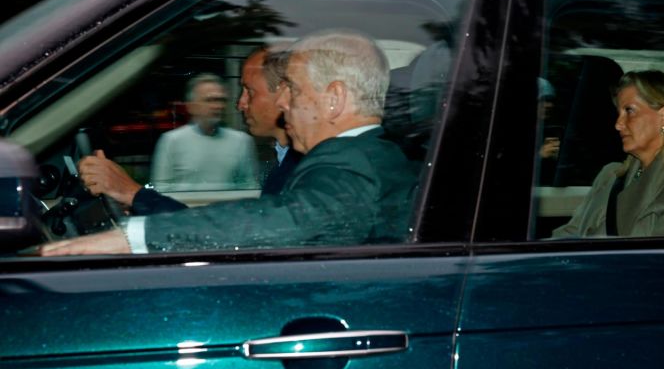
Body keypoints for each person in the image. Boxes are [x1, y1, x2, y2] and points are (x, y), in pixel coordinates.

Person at [41, 29, 420, 255]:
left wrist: (132, 238)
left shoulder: (353, 166)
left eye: (293, 90)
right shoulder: (370, 155)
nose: (283, 102)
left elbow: (287, 220)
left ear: (334, 99)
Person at [79, 47, 301, 214]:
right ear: (191, 106)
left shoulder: (302, 169)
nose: (239, 104)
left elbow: (236, 232)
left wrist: (132, 194)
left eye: (249, 92)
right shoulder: (285, 161)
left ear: (283, 95)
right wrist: (137, 200)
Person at [552, 70, 664, 238]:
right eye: (619, 113)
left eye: (629, 111)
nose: (618, 124)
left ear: (663, 116)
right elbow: (569, 234)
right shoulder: (610, 176)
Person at [148, 73, 258, 192]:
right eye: (210, 100)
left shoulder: (242, 141)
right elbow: (160, 190)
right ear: (191, 106)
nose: (217, 106)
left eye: (221, 100)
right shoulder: (171, 141)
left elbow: (250, 187)